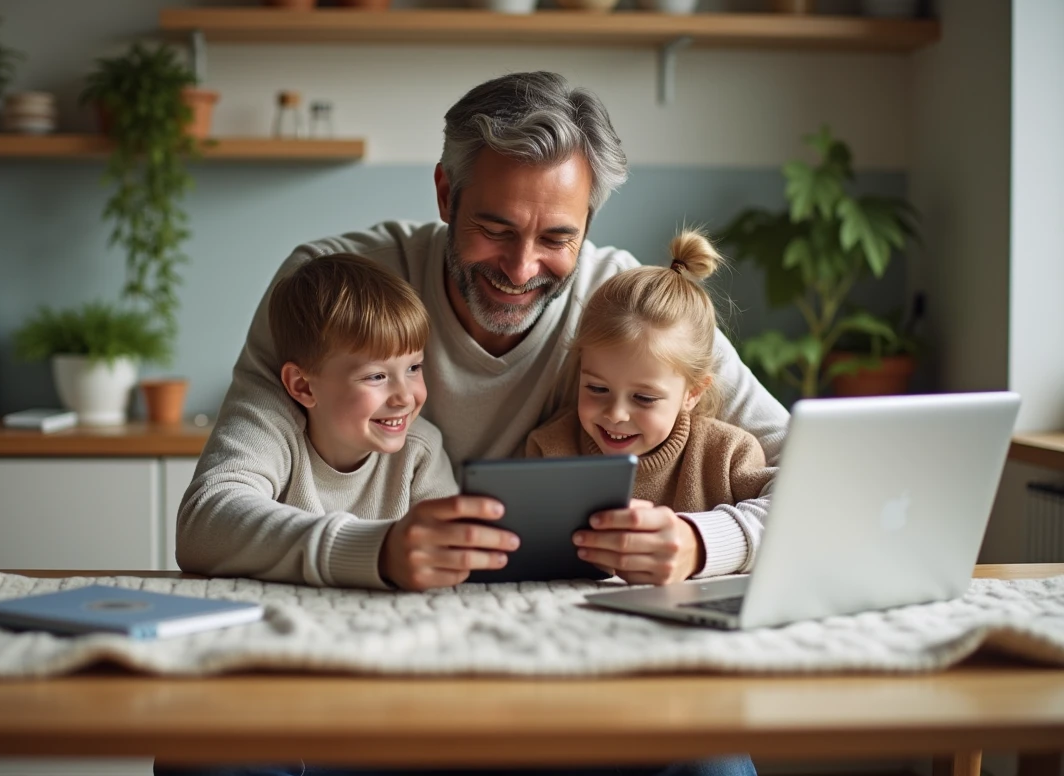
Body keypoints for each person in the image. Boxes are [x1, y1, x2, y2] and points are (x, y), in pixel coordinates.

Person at [163, 70, 785, 776]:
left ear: (589, 225)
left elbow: (818, 476)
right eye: (495, 228)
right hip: (360, 680)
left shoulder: (628, 311)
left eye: (557, 237)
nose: (521, 269)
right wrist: (378, 551)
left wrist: (705, 542)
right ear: (444, 194)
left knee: (712, 759)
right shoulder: (338, 289)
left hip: (560, 686)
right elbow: (210, 516)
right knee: (206, 752)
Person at [526, 230, 777, 583]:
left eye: (644, 398)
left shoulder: (729, 456)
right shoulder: (551, 450)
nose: (615, 414)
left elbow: (799, 512)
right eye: (597, 388)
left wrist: (704, 543)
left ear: (692, 392)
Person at [250, 251, 458, 587]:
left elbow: (449, 553)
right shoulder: (279, 444)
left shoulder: (422, 450)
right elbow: (207, 531)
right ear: (303, 385)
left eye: (413, 368)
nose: (404, 397)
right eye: (376, 376)